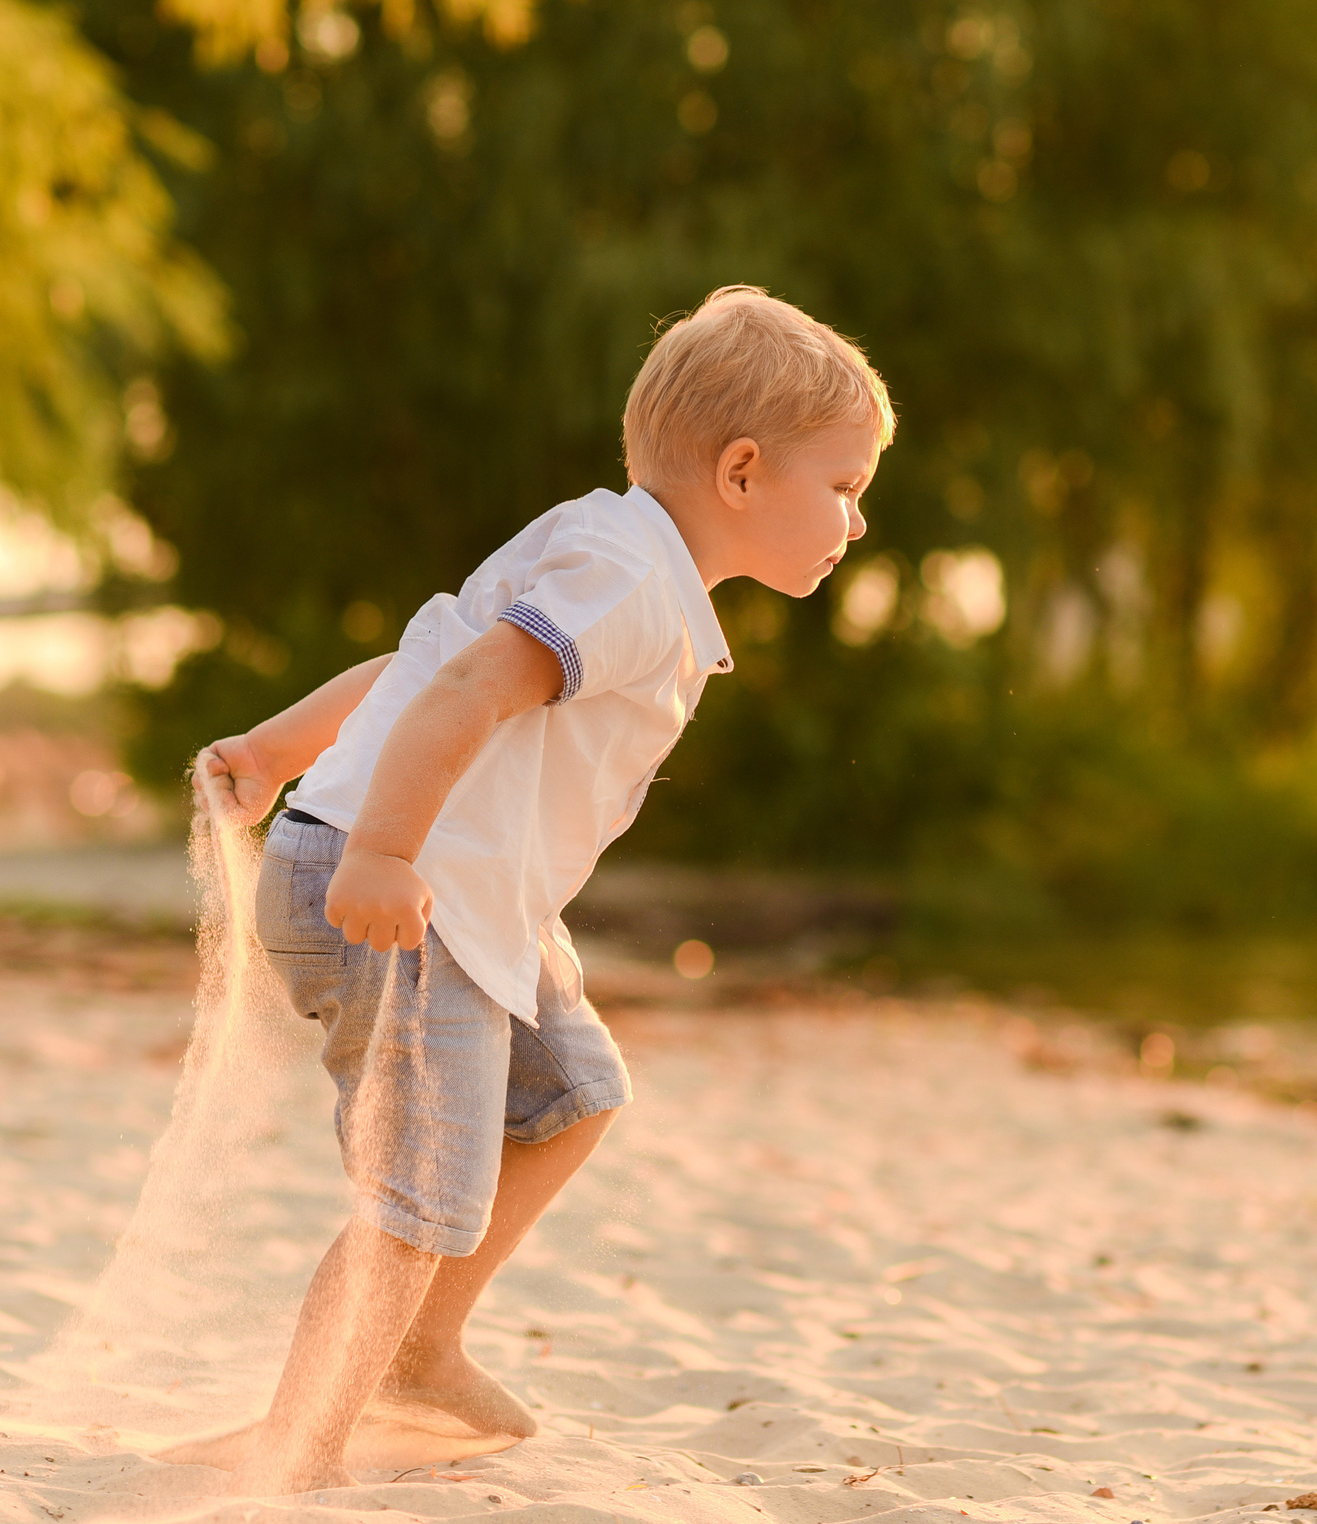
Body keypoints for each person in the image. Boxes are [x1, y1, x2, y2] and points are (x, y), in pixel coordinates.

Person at [182, 286, 894, 1495]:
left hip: (459, 900)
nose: (857, 519)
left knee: (574, 1091)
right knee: (416, 1195)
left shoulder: (612, 554)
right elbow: (461, 691)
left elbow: (420, 665)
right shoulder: (624, 582)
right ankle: (295, 1451)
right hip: (408, 892)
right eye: (842, 485)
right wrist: (381, 853)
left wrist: (273, 749)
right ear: (740, 471)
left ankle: (418, 1347)